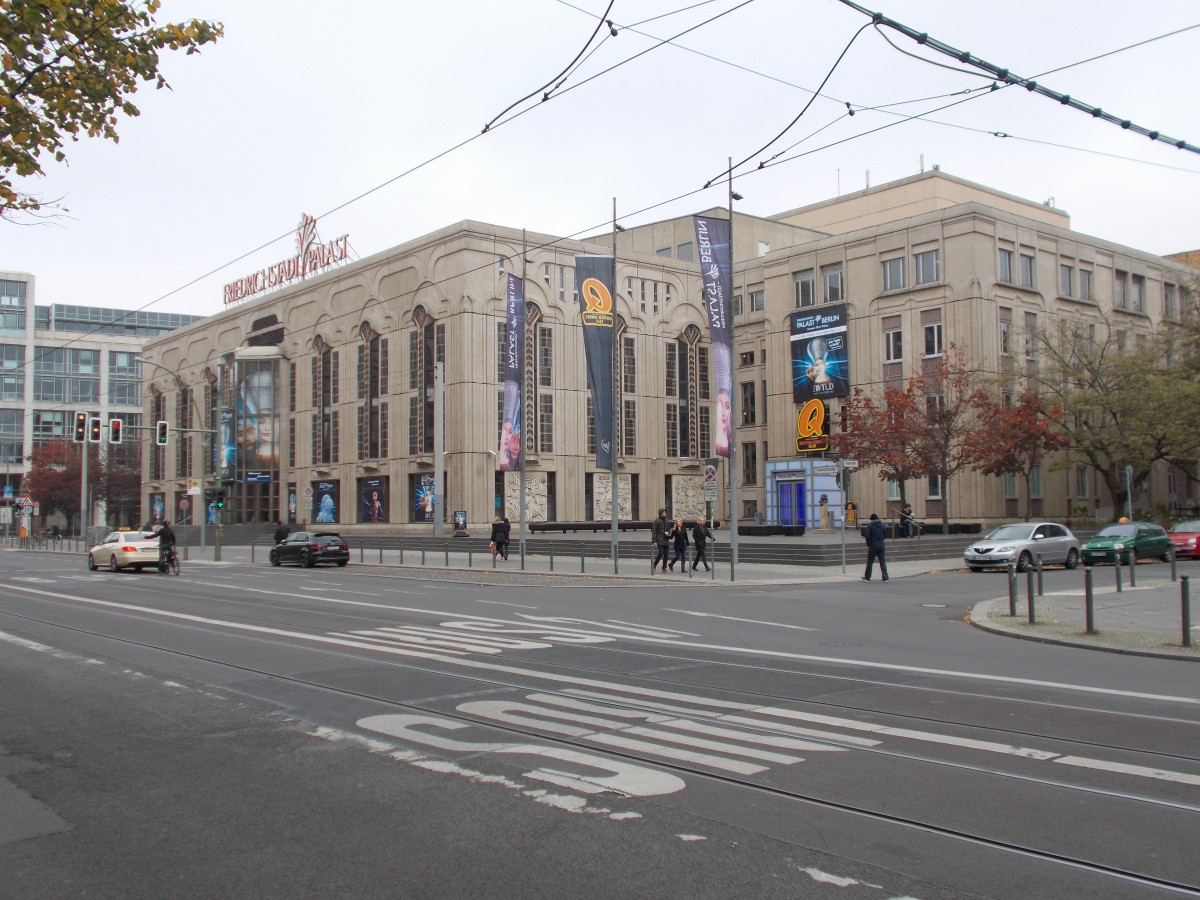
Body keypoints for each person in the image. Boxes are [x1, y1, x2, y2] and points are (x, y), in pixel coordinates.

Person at [862, 513, 889, 582]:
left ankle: (867, 577)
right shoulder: (882, 525)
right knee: (882, 561)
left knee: (870, 562)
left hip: (873, 545)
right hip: (881, 545)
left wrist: (869, 543)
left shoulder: (870, 526)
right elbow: (885, 534)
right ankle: (885, 577)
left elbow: (867, 536)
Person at [650, 508, 672, 574]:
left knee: (666, 555)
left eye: (665, 512)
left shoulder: (667, 521)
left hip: (666, 540)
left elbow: (669, 529)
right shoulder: (656, 521)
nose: (665, 513)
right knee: (661, 553)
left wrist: (668, 532)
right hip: (659, 540)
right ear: (660, 513)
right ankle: (654, 565)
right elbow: (654, 531)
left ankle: (664, 568)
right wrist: (654, 541)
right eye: (663, 512)